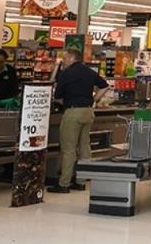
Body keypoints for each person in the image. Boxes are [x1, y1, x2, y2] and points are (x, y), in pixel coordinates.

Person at [48, 48, 109, 193]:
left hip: (73, 112)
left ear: (70, 58)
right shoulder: (89, 71)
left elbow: (57, 96)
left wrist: (68, 101)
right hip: (88, 112)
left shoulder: (66, 73)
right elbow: (105, 86)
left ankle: (64, 184)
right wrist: (93, 99)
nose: (63, 60)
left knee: (68, 149)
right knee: (84, 146)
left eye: (64, 58)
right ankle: (81, 181)